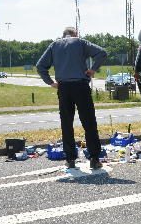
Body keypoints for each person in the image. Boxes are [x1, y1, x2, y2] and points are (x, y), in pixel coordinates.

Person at [36, 27, 108, 169]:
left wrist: (51, 82)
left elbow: (40, 66)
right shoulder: (81, 42)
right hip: (81, 86)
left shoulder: (55, 45)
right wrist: (93, 69)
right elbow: (102, 53)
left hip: (64, 88)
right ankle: (94, 158)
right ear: (75, 34)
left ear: (63, 35)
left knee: (66, 124)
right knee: (89, 123)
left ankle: (70, 159)